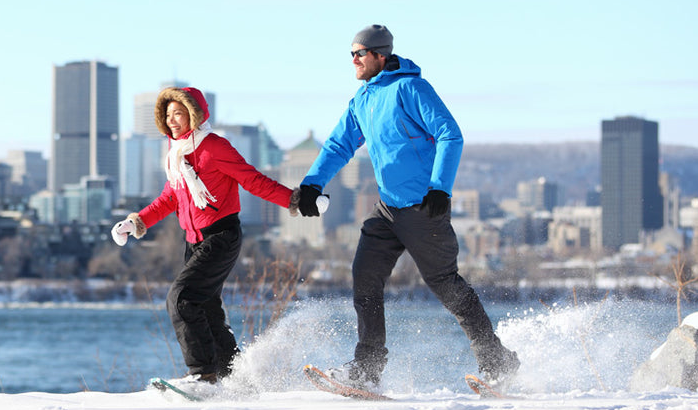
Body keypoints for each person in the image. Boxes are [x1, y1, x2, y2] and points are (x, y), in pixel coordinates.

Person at [294, 25, 519, 389]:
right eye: (351, 53)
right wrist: (312, 184)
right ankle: (367, 370)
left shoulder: (411, 88)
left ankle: (497, 361)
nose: (354, 59)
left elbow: (450, 133)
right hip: (387, 209)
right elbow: (338, 145)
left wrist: (439, 190)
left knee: (445, 284)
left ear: (381, 55)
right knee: (364, 276)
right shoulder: (362, 99)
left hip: (423, 208)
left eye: (360, 53)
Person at [111, 86, 299, 384]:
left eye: (179, 114)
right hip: (194, 241)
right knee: (206, 308)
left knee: (182, 299)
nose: (172, 120)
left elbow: (252, 180)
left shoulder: (214, 147)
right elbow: (169, 199)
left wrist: (293, 200)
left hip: (221, 236)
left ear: (194, 115)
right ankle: (232, 375)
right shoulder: (176, 155)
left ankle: (203, 375)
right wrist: (136, 222)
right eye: (168, 115)